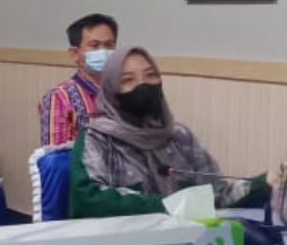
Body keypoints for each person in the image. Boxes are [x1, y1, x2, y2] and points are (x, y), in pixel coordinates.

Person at [70, 47, 272, 218]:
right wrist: (169, 205)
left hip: (189, 243)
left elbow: (216, 196)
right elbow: (90, 201)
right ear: (112, 90)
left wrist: (266, 181)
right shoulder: (96, 139)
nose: (143, 84)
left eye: (150, 75)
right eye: (128, 80)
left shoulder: (179, 136)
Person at [39, 13, 118, 146]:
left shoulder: (124, 91)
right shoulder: (60, 96)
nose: (103, 52)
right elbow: (55, 154)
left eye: (109, 45)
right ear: (75, 54)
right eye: (94, 46)